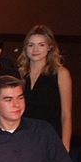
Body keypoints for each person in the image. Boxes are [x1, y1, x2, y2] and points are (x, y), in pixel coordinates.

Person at [17, 24, 73, 152]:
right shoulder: (19, 74)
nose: (35, 49)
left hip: (50, 139)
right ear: (25, 48)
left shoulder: (61, 73)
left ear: (50, 47)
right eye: (31, 45)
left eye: (41, 45)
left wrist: (65, 147)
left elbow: (66, 114)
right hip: (23, 139)